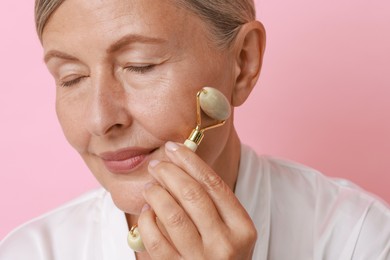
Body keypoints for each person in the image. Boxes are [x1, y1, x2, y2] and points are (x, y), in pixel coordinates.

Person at [0, 0, 389, 259]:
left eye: (141, 65)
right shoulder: (30, 251)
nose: (101, 120)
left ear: (243, 61)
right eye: (71, 78)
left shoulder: (358, 239)